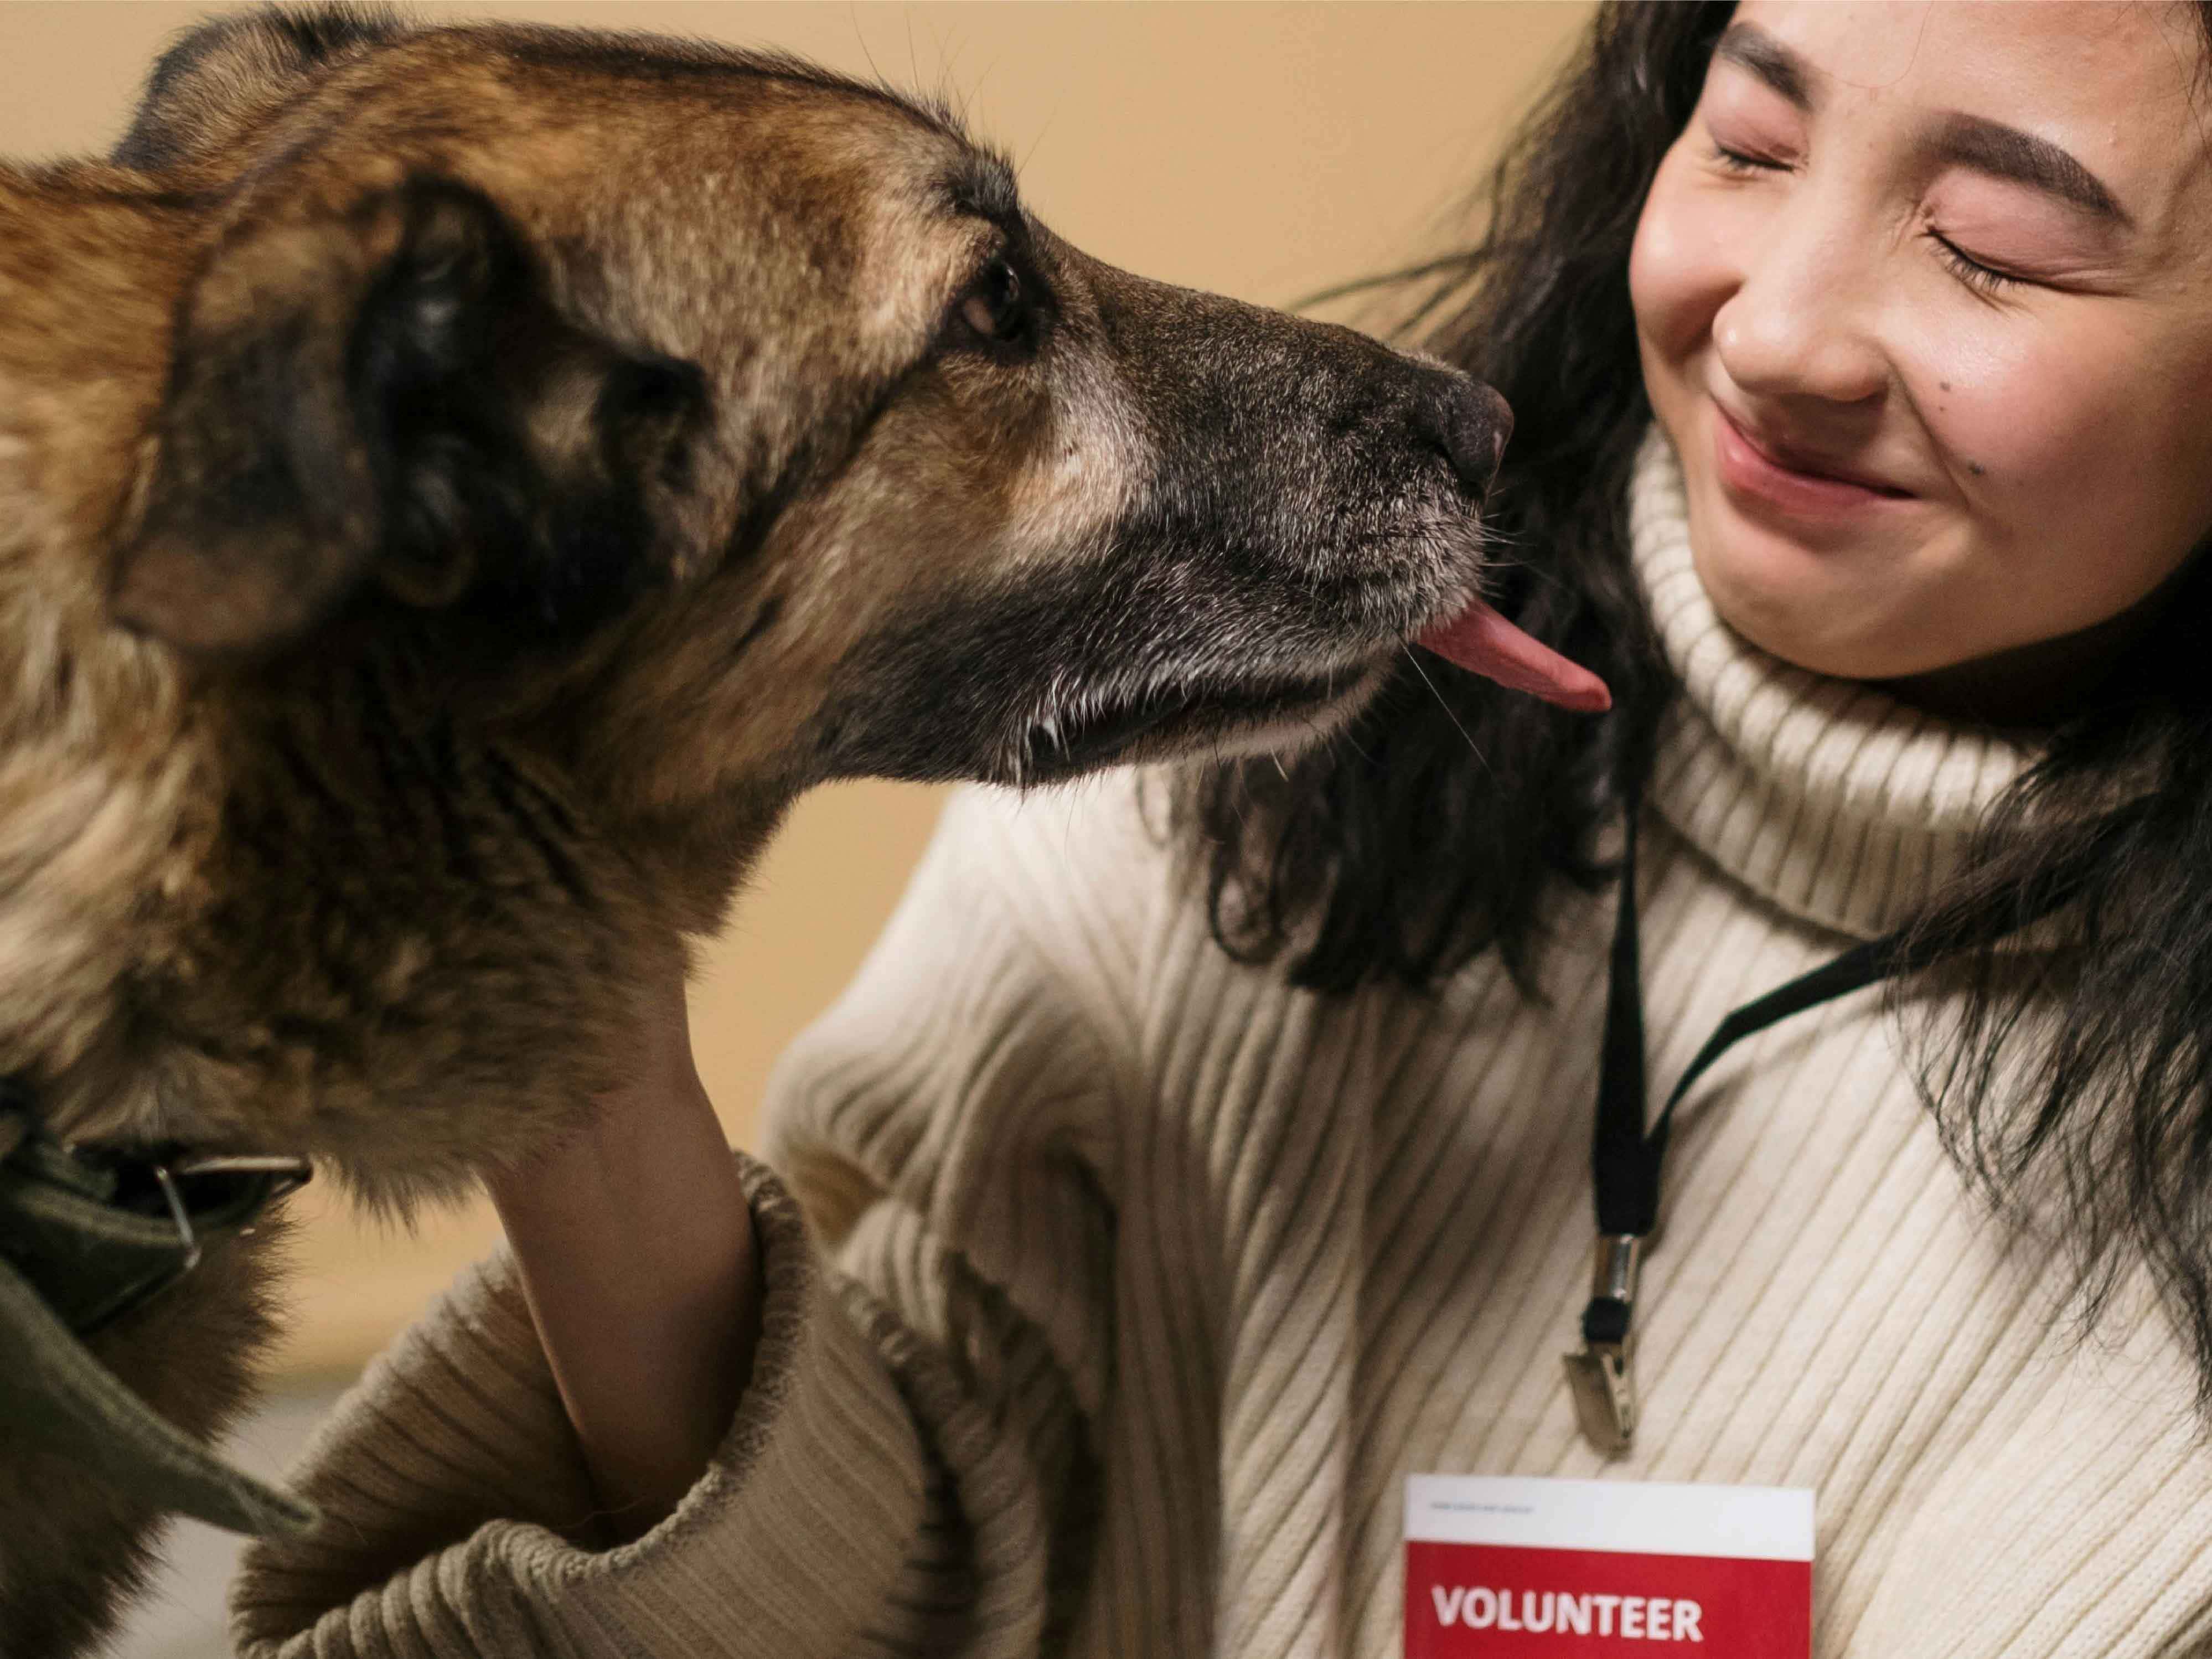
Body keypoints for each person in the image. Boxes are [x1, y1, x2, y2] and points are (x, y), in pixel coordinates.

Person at [231, 4, 2212, 1655]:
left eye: (1992, 248)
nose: (1774, 332)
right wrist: (567, 1028)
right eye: (1750, 147)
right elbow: (890, 1593)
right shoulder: (1218, 777)